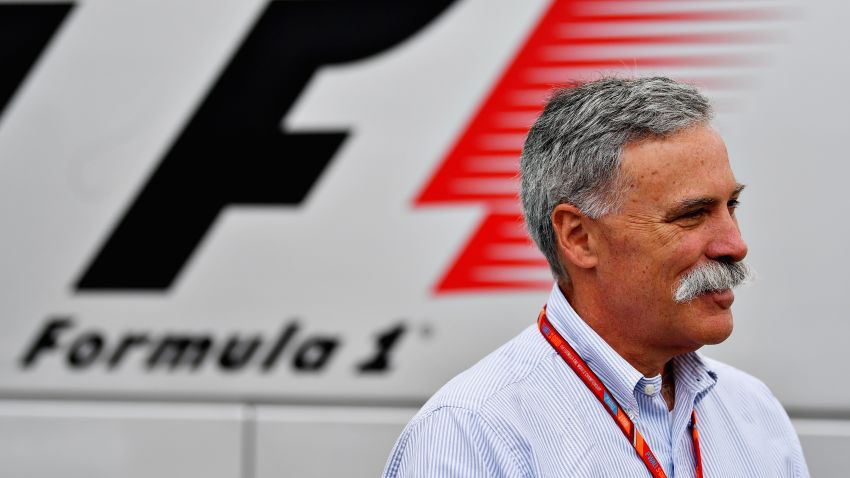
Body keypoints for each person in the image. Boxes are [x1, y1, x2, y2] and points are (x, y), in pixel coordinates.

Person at [382, 77, 809, 477]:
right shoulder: (473, 437)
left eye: (730, 206)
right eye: (692, 215)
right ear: (579, 237)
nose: (734, 245)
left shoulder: (752, 411)